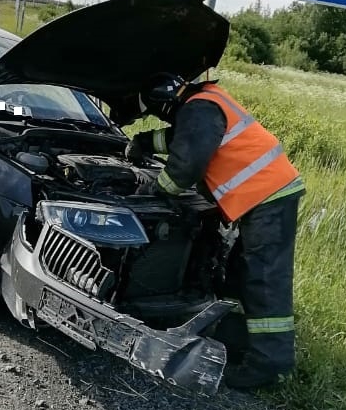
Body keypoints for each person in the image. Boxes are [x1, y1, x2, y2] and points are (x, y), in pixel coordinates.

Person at [127, 73, 304, 389]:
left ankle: (267, 367)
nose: (160, 117)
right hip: (265, 196)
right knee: (240, 272)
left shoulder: (199, 107)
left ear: (165, 101)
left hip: (267, 197)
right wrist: (142, 142)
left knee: (263, 279)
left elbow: (185, 166)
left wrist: (157, 190)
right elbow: (182, 139)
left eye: (155, 111)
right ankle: (239, 336)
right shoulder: (204, 103)